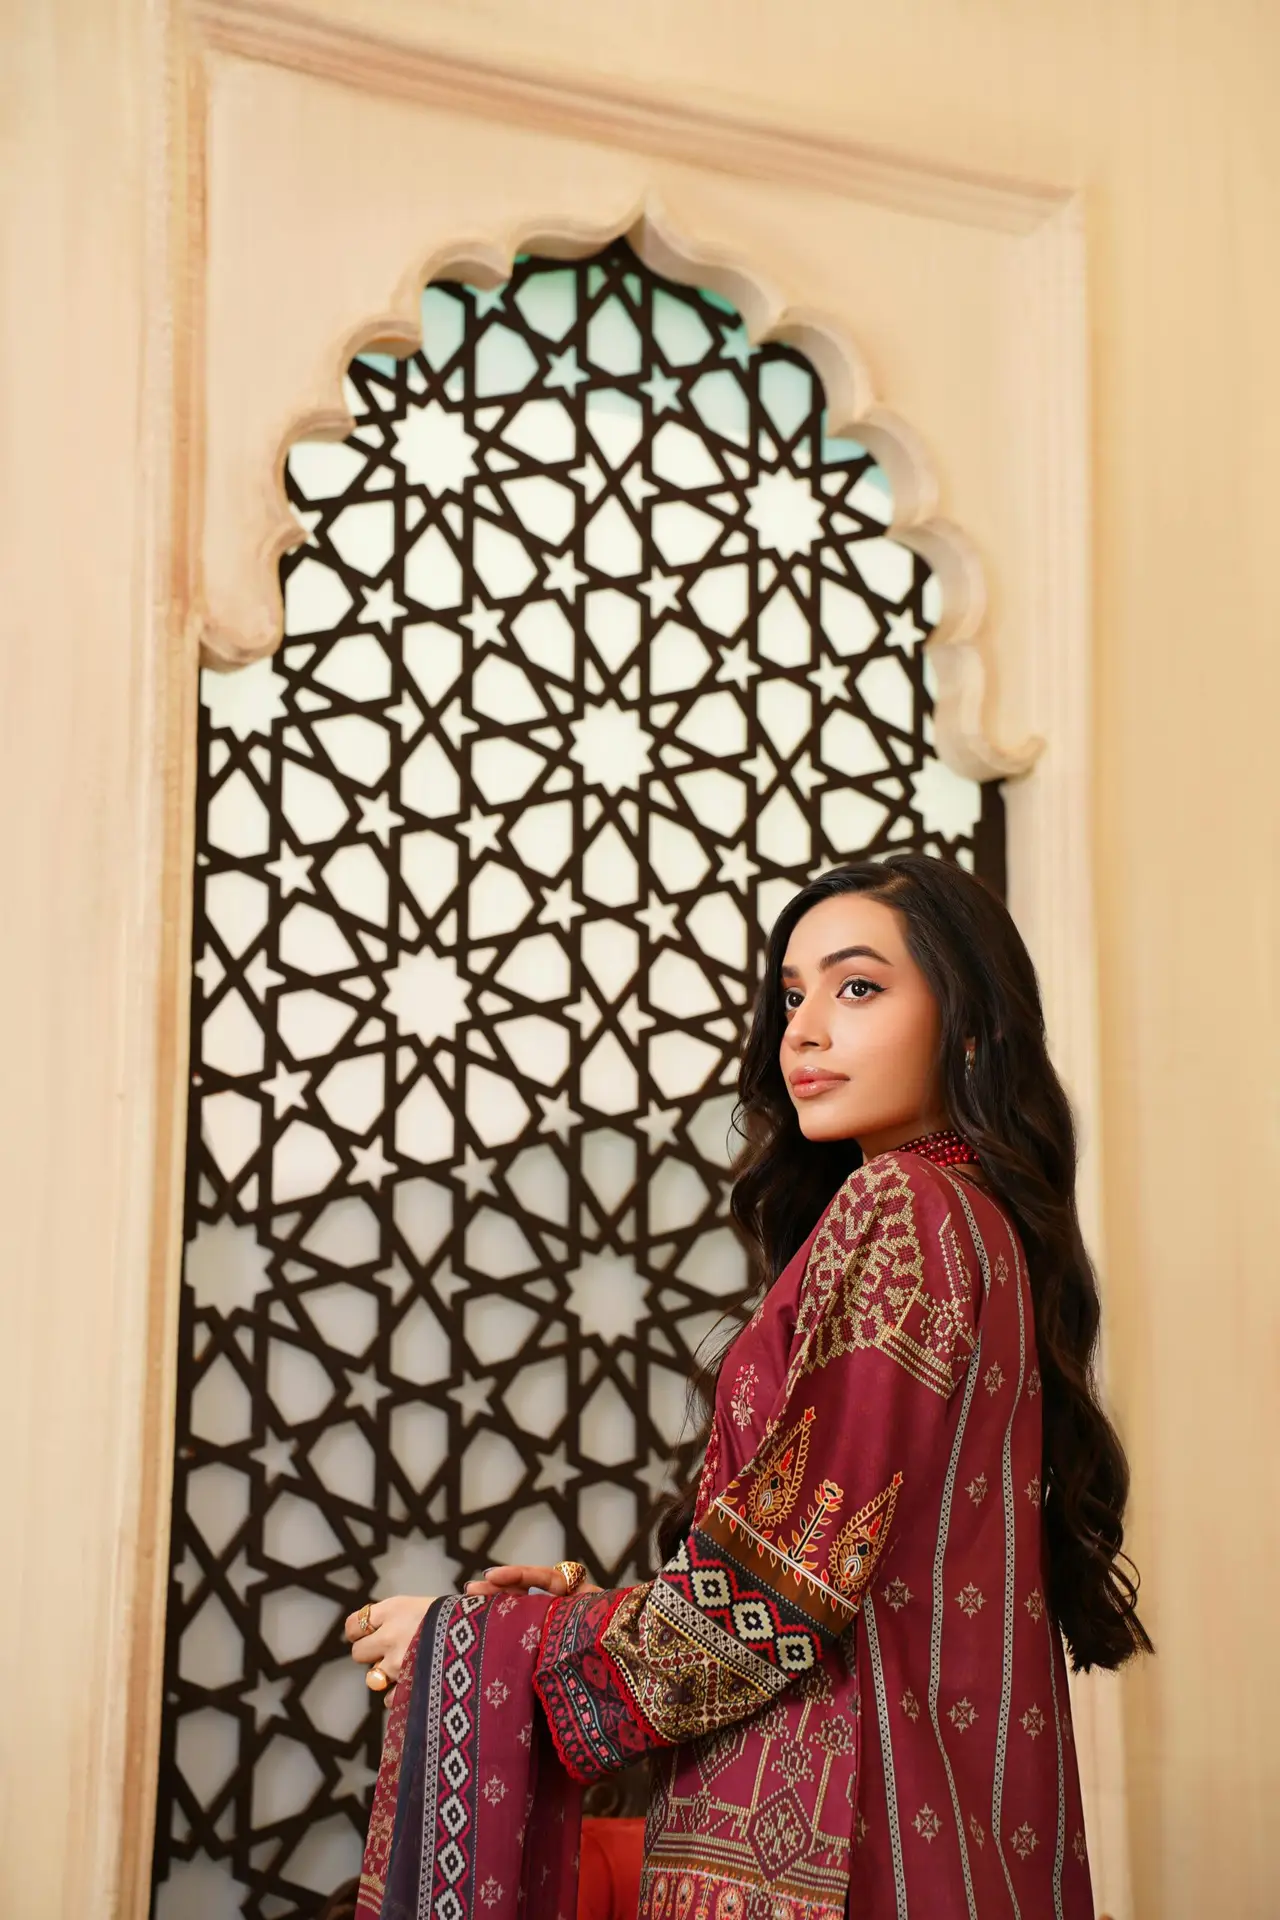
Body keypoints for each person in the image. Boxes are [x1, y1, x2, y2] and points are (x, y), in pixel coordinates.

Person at [345, 854, 1150, 1920]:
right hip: (950, 1849)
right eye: (791, 993)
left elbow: (772, 1603)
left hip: (832, 1861)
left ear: (967, 1025)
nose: (805, 1029)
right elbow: (843, 1583)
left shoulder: (900, 1213)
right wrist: (601, 1618)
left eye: (856, 987)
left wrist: (482, 1644)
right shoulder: (983, 1230)